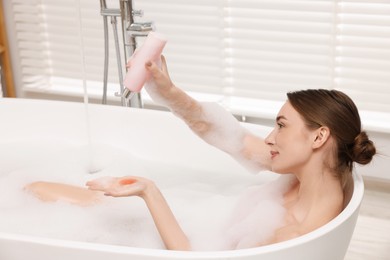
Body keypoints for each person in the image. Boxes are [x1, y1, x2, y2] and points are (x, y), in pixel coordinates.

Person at [25, 56, 376, 251]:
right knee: (35, 188)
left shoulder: (290, 237)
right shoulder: (321, 170)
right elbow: (226, 135)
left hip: (182, 238)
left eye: (282, 125)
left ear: (319, 137)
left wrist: (149, 190)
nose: (269, 137)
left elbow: (192, 258)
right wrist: (168, 92)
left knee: (37, 196)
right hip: (200, 220)